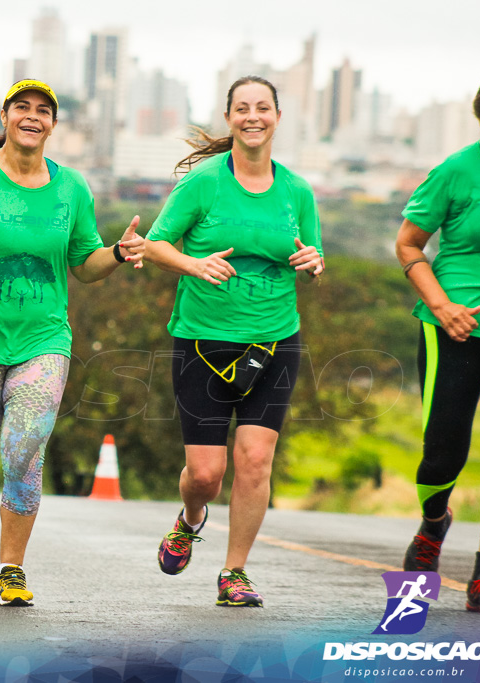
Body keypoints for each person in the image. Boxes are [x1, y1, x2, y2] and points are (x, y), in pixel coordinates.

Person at [0, 79, 144, 607]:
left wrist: (116, 252)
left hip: (44, 341)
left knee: (24, 452)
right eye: (22, 107)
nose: (32, 116)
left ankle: (11, 569)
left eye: (43, 110)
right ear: (5, 117)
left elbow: (85, 265)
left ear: (53, 125)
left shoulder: (72, 190)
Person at [143, 75, 324, 608]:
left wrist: (314, 262)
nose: (253, 117)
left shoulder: (296, 190)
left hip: (274, 341)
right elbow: (153, 245)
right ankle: (190, 518)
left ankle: (234, 572)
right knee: (205, 474)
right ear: (229, 118)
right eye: (242, 108)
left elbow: (311, 252)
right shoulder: (204, 183)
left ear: (277, 117)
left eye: (262, 108)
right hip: (203, 340)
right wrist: (193, 264)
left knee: (254, 461)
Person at [395, 70, 480, 614]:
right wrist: (441, 306)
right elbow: (408, 245)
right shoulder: (456, 172)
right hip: (453, 324)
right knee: (444, 447)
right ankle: (433, 524)